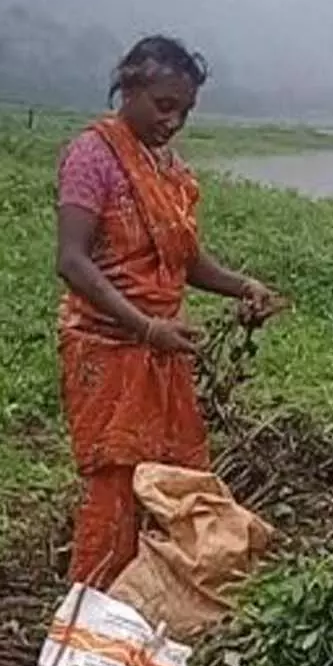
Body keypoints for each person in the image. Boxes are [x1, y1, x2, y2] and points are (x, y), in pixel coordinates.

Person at [55, 36, 287, 588]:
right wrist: (145, 326)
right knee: (115, 487)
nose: (174, 121)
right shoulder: (95, 154)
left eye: (184, 111)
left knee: (176, 481)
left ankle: (156, 603)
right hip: (108, 349)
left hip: (163, 352)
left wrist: (242, 286)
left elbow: (186, 260)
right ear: (128, 89)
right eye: (164, 106)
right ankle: (93, 619)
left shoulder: (169, 168)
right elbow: (72, 259)